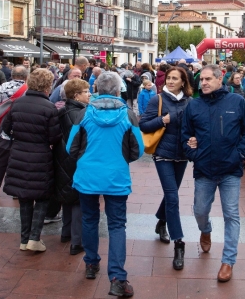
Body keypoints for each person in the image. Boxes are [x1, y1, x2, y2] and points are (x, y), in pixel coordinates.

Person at [66, 71, 143, 296]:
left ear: (96, 88)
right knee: (117, 224)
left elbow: (70, 147)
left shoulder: (83, 114)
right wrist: (120, 160)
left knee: (89, 219)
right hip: (116, 177)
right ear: (118, 90)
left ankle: (91, 263)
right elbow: (138, 150)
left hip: (87, 177)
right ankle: (118, 277)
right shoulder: (128, 115)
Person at [181, 65, 245, 283]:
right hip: (204, 169)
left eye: (207, 79)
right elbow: (185, 135)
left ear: (219, 78)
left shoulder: (236, 102)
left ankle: (228, 261)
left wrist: (240, 154)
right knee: (200, 210)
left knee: (231, 215)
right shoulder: (194, 105)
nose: (202, 83)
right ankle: (205, 230)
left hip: (230, 169)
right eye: (200, 79)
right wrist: (192, 153)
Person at [140, 66, 192, 270]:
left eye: (175, 79)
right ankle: (179, 244)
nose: (170, 81)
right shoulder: (158, 99)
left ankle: (161, 222)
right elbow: (144, 125)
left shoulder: (190, 102)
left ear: (183, 82)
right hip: (163, 154)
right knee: (173, 197)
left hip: (182, 155)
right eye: (168, 78)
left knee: (172, 194)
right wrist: (162, 120)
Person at [3, 68, 61, 253]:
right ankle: (34, 238)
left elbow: (6, 128)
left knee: (24, 198)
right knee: (42, 197)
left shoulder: (17, 103)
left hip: (19, 153)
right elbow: (54, 137)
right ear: (47, 85)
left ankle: (24, 239)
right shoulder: (49, 107)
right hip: (40, 156)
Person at [0, 65, 29, 198]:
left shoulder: (4, 87)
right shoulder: (28, 88)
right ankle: (17, 191)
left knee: (1, 160)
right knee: (21, 160)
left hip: (6, 129)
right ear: (25, 76)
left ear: (12, 75)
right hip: (22, 129)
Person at [55, 78, 90, 255]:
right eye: (86, 91)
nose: (89, 94)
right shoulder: (83, 114)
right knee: (78, 199)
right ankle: (77, 241)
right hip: (77, 160)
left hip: (62, 158)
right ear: (76, 95)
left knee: (67, 195)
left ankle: (66, 232)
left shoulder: (61, 111)